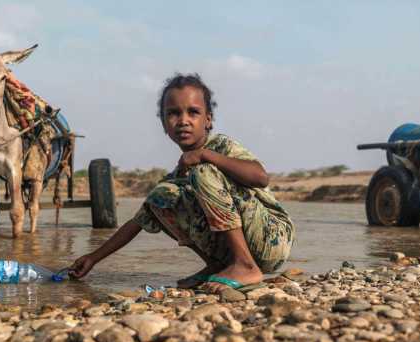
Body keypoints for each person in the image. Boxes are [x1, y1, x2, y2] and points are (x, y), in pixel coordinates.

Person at [69, 73, 294, 293]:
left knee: (203, 173)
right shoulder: (179, 173)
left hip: (271, 238)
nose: (183, 121)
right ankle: (219, 266)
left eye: (193, 112)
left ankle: (244, 265)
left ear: (208, 120)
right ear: (164, 124)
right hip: (242, 245)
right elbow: (135, 223)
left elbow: (260, 176)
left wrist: (205, 156)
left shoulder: (222, 147)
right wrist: (93, 258)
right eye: (173, 114)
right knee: (161, 196)